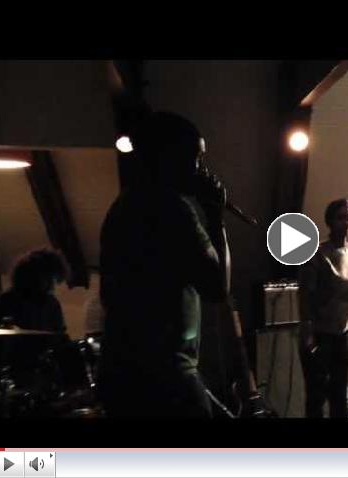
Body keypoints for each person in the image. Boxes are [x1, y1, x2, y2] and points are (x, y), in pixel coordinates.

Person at [98, 111, 230, 418]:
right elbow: (216, 287)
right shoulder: (172, 210)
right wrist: (215, 216)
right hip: (165, 376)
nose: (201, 169)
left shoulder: (124, 205)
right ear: (169, 158)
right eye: (195, 158)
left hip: (122, 370)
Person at [298, 198, 348, 418]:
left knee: (340, 393)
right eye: (341, 217)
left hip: (343, 334)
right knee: (316, 396)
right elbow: (305, 296)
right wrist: (307, 332)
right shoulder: (317, 253)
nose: (347, 222)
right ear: (330, 220)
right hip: (319, 334)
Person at [0, 248, 67, 333]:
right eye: (50, 279)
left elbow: (60, 335)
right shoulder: (6, 302)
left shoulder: (52, 304)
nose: (52, 286)